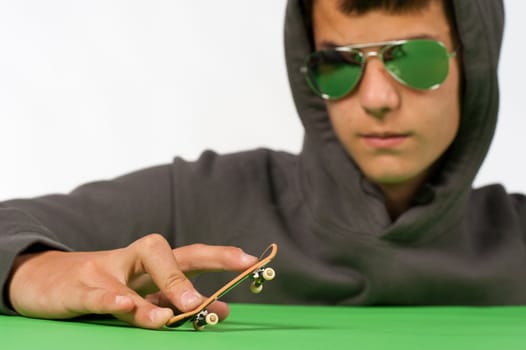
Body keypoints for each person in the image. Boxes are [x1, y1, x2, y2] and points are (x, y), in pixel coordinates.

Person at [1, 0, 520, 330]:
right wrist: (33, 270)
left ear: (473, 63)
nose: (377, 97)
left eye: (414, 58)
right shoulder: (206, 198)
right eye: (339, 65)